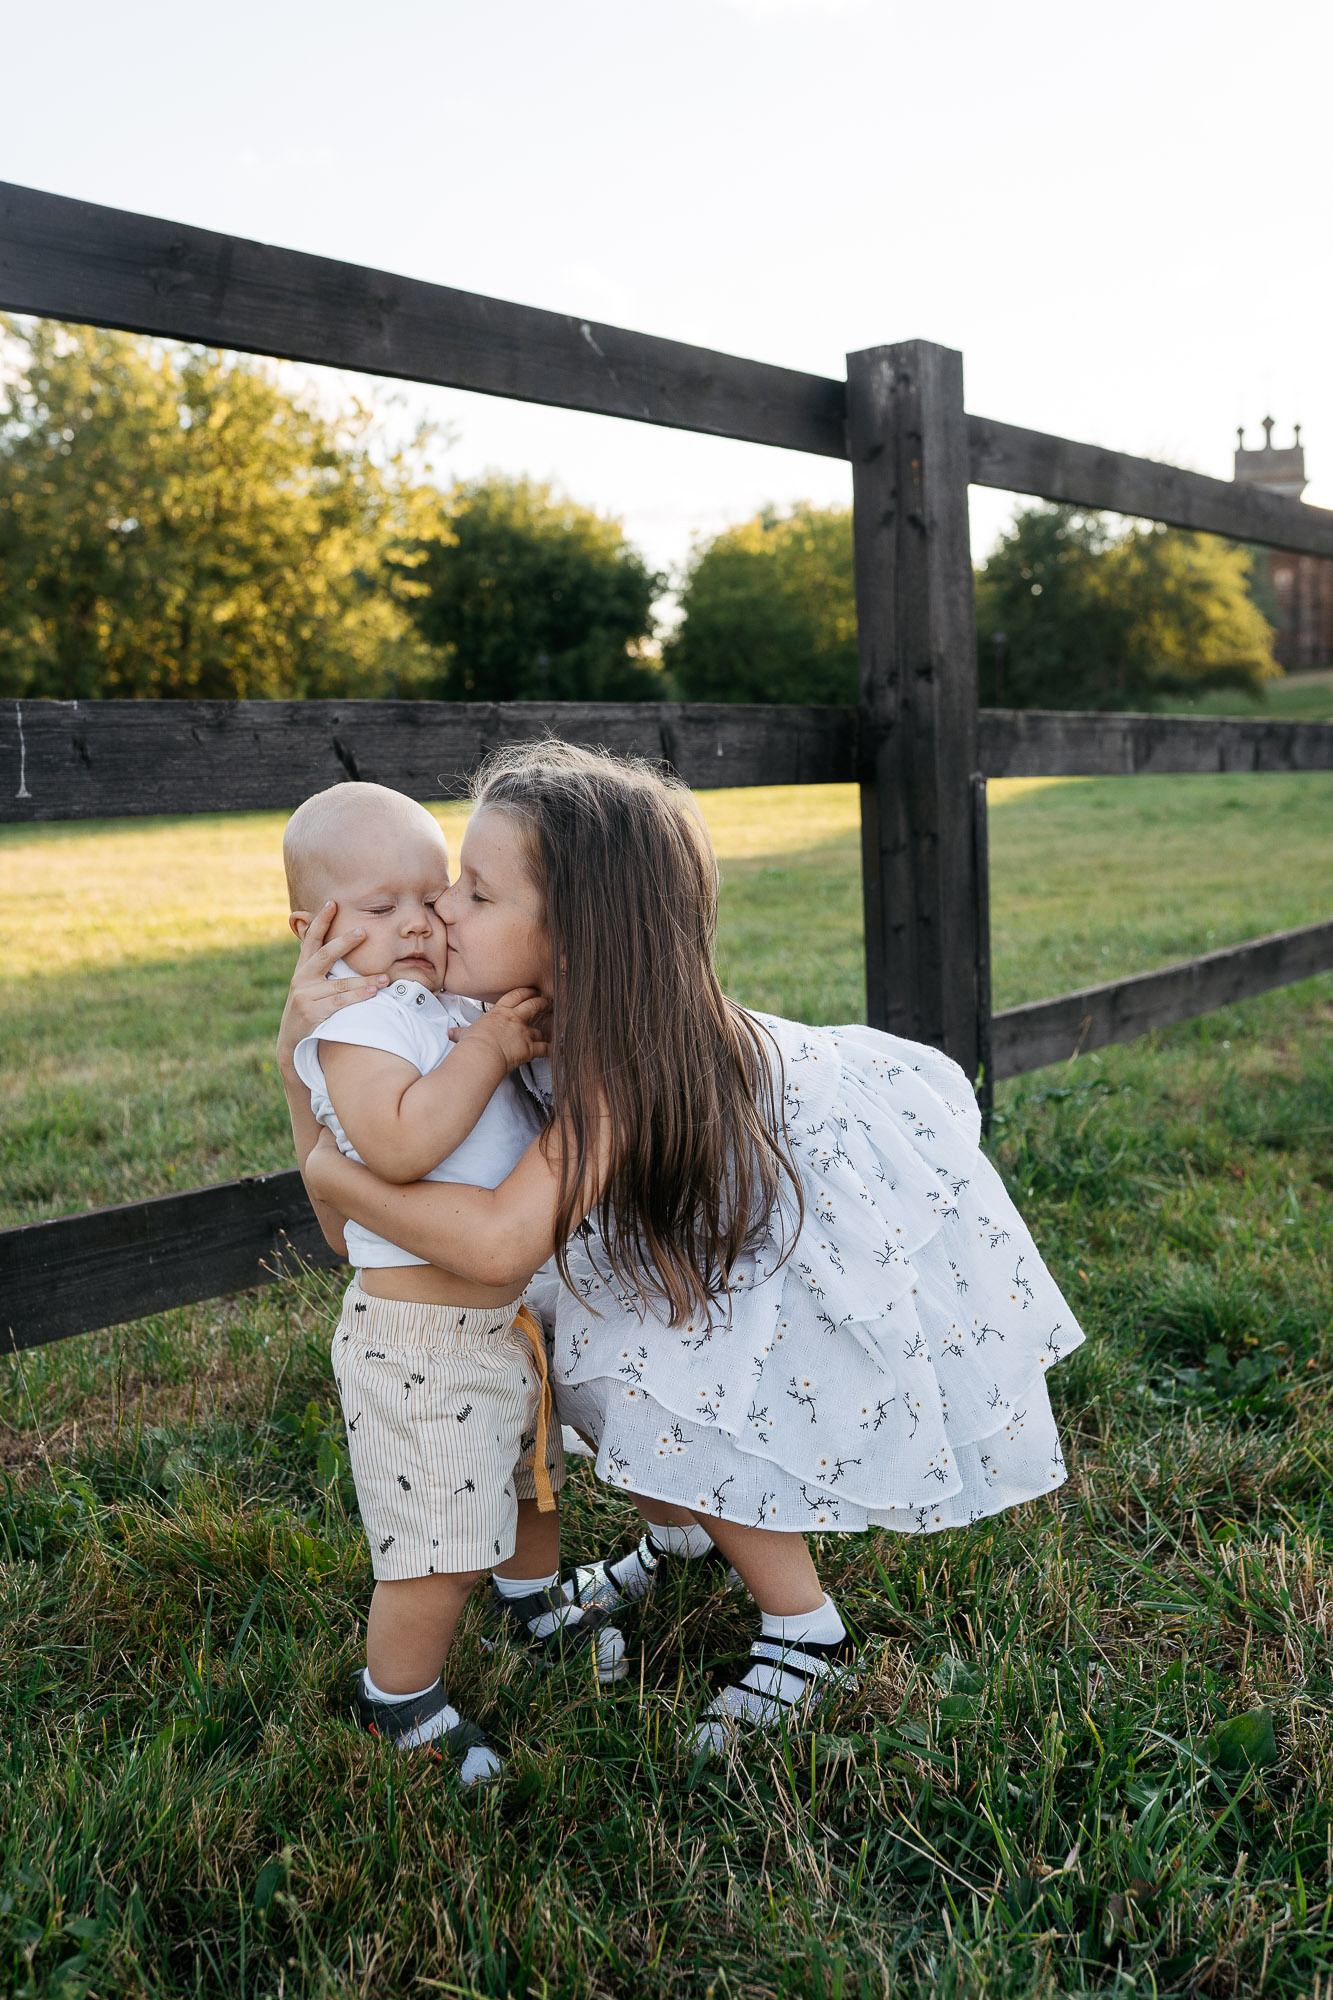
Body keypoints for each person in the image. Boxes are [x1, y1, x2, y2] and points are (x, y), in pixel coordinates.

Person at [286, 744, 1085, 1753]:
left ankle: (806, 1631)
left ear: (572, 940)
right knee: (602, 1362)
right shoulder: (494, 1004)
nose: (439, 908)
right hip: (665, 1217)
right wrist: (296, 1045)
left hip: (779, 1225)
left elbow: (491, 1244)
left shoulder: (622, 1061)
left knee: (689, 1391)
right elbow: (376, 1170)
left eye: (473, 891)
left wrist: (331, 1174)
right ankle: (679, 1536)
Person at [278, 779, 625, 1786]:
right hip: (415, 1341)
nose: (421, 924)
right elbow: (396, 1143)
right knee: (437, 1538)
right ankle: (401, 1696)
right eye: (382, 910)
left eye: (433, 898)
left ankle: (536, 1599)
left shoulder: (442, 998)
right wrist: (484, 1046)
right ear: (314, 930)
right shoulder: (354, 1026)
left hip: (506, 1323)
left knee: (530, 1481)